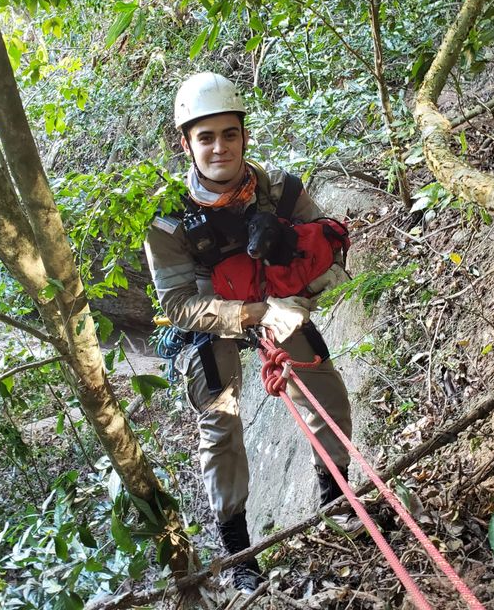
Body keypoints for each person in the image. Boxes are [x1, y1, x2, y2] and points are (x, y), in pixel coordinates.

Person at [144, 72, 353, 593]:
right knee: (220, 421)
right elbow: (177, 304)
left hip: (278, 302)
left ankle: (337, 502)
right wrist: (254, 315)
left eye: (229, 134)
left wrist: (291, 270)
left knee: (325, 390)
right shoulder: (168, 219)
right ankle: (239, 551)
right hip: (214, 315)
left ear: (244, 136)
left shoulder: (281, 193)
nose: (219, 147)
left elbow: (331, 256)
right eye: (205, 137)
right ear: (187, 144)